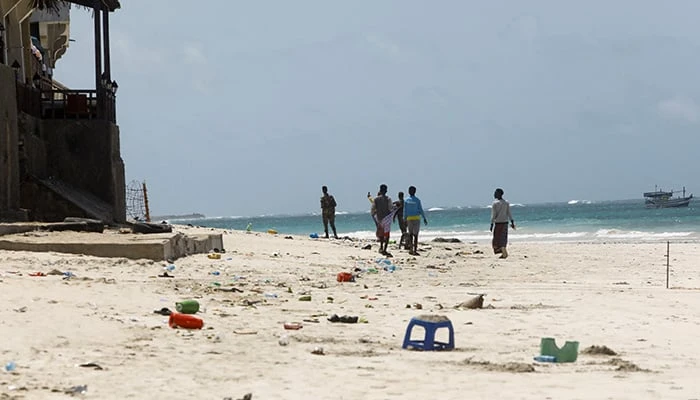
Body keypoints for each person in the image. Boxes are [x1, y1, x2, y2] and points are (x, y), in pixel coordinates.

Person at [490, 188, 515, 259]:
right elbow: (509, 213)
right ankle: (504, 252)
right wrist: (512, 221)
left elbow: (493, 215)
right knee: (503, 237)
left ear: (499, 194)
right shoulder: (506, 202)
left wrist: (491, 224)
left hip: (498, 223)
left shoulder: (495, 203)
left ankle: (503, 253)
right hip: (505, 223)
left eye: (495, 193)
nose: (494, 194)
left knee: (496, 238)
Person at [370, 184, 395, 256]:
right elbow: (391, 208)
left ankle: (381, 247)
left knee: (381, 234)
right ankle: (384, 249)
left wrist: (375, 216)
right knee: (387, 234)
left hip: (379, 218)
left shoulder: (376, 199)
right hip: (386, 218)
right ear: (386, 191)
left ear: (380, 190)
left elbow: (373, 209)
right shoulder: (388, 199)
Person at [403, 186, 428, 256]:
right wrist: (424, 218)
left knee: (410, 234)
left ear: (409, 191)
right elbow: (421, 209)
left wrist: (404, 219)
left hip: (409, 219)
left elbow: (405, 211)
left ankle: (411, 249)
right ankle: (415, 250)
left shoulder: (406, 200)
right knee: (416, 235)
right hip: (417, 218)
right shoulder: (417, 200)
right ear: (415, 192)